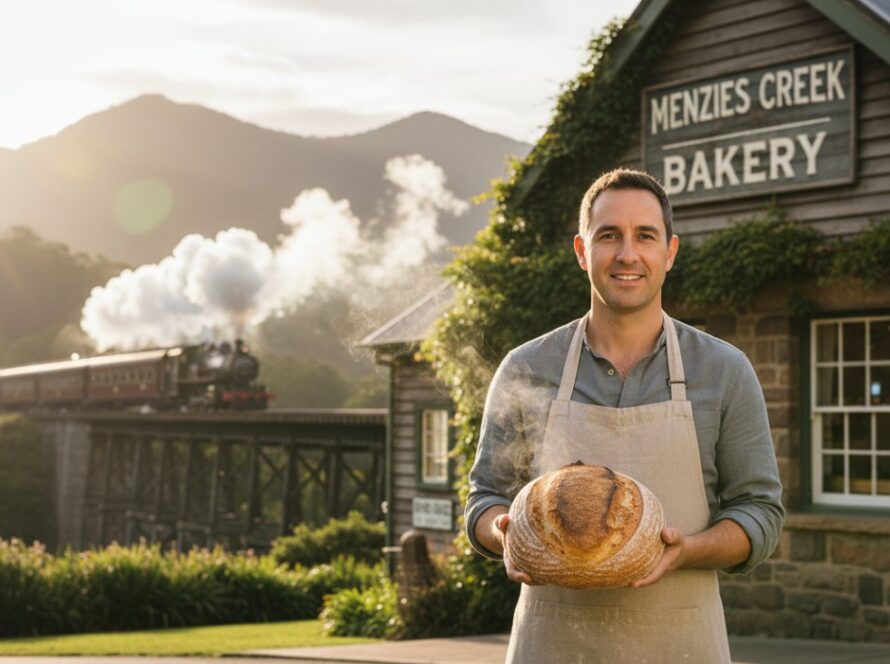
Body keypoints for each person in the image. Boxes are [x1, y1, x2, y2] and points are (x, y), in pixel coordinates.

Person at [465, 168, 785, 663]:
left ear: (669, 252)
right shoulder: (527, 367)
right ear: (581, 251)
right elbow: (484, 497)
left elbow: (760, 511)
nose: (627, 254)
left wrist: (688, 550)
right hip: (552, 646)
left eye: (645, 236)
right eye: (609, 235)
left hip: (681, 647)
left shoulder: (723, 371)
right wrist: (505, 532)